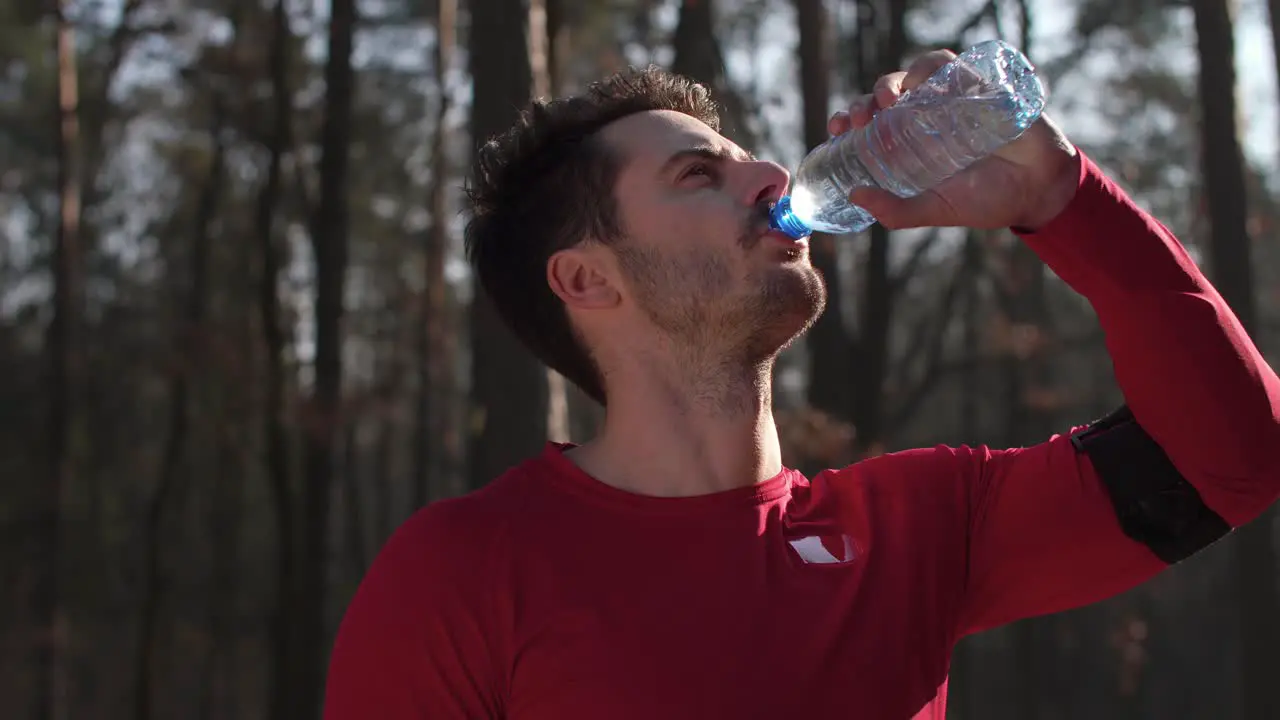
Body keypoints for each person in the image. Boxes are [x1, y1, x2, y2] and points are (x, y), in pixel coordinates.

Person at [323, 49, 1280, 720]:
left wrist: (1059, 198)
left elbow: (1237, 457)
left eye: (746, 158)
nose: (773, 174)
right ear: (586, 279)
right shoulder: (463, 573)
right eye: (699, 175)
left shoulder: (919, 529)